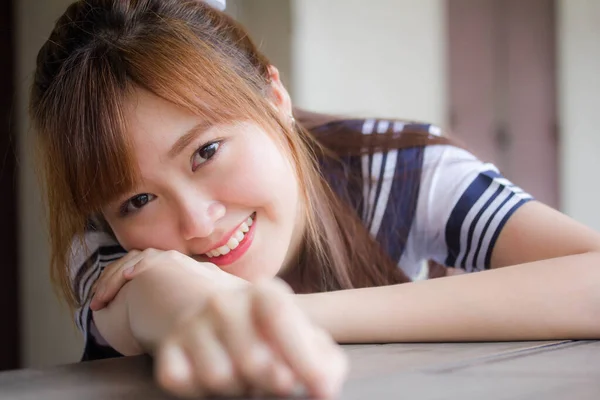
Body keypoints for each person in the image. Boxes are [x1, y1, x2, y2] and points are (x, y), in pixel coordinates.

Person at [30, 0, 600, 398]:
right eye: (140, 198)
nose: (197, 223)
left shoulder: (396, 172)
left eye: (205, 152)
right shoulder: (103, 237)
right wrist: (196, 306)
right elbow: (164, 303)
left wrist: (293, 317)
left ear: (275, 96)